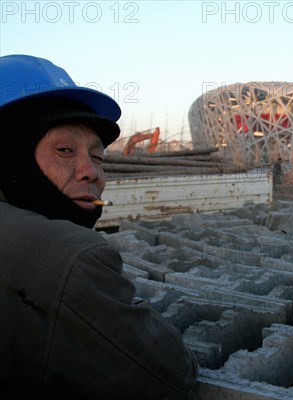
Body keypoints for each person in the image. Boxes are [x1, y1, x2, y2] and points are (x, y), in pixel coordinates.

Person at [0, 55, 198, 399]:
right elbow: (169, 374)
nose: (91, 172)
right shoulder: (70, 256)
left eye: (98, 157)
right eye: (64, 150)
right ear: (9, 154)